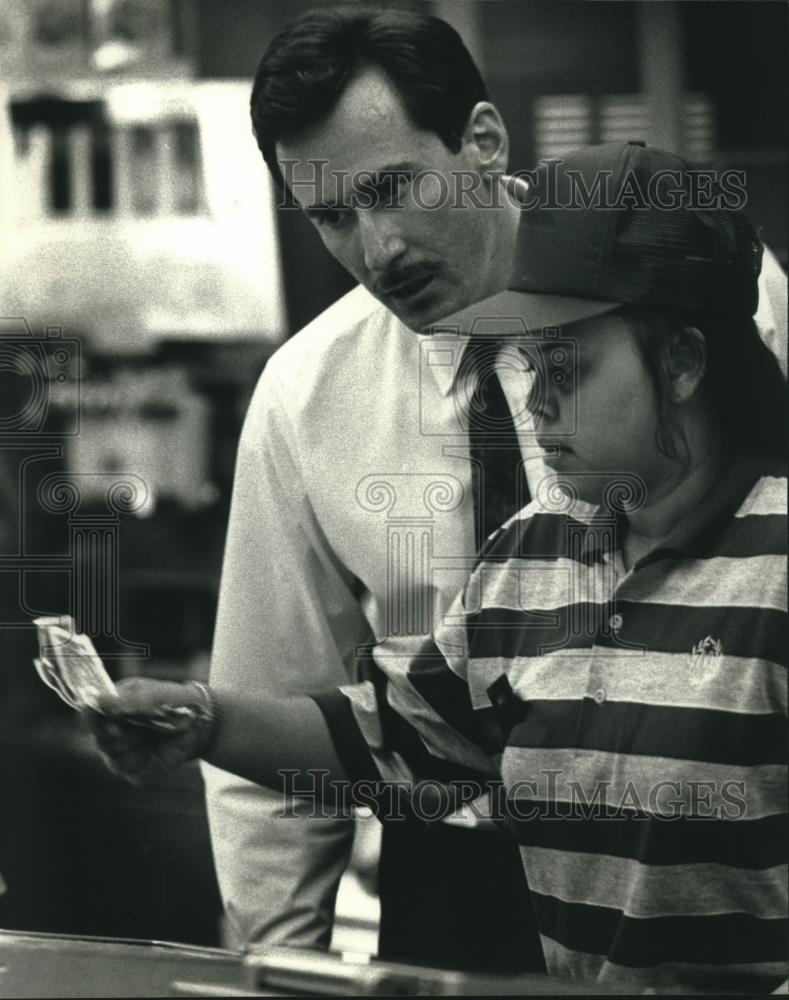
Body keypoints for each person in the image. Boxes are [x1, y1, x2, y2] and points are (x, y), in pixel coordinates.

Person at [89, 142, 787, 993]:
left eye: (566, 363)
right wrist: (205, 721)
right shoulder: (537, 551)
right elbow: (400, 740)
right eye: (530, 361)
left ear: (680, 360)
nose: (535, 402)